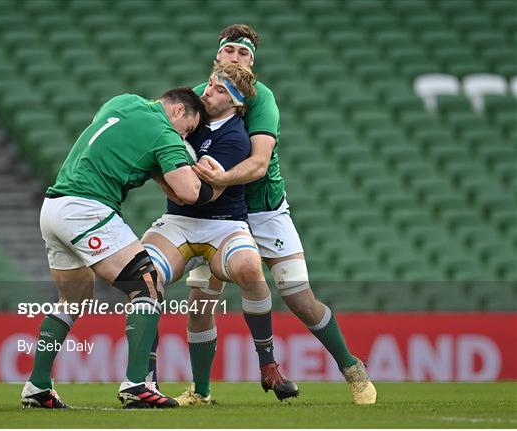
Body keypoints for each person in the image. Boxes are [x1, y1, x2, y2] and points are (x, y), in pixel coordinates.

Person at [169, 24, 377, 405]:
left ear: (253, 62)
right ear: (217, 56)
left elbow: (259, 164)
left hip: (263, 209)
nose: (236, 57)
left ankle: (352, 368)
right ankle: (200, 392)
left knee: (299, 298)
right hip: (216, 215)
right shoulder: (199, 98)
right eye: (230, 50)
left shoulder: (260, 98)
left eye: (244, 53)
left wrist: (222, 178)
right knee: (200, 302)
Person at [20, 87, 212, 409]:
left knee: (73, 300)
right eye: (188, 129)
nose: (185, 136)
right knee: (147, 286)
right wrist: (209, 183)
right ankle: (137, 385)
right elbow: (187, 192)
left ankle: (37, 386)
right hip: (87, 207)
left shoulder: (123, 101)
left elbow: (121, 147)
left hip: (54, 207)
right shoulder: (165, 133)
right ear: (178, 111)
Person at [143, 62, 299, 404]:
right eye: (211, 84)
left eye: (217, 90)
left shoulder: (235, 138)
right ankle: (146, 381)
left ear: (235, 104)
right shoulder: (190, 116)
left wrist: (165, 169)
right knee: (143, 276)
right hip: (180, 222)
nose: (207, 91)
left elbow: (203, 193)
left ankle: (268, 364)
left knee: (249, 268)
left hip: (224, 223)